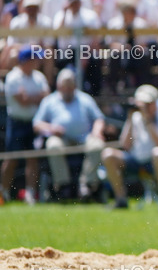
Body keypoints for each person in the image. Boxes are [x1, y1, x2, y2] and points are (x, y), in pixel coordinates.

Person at [34, 69, 106, 201]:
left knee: (97, 145)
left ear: (75, 86)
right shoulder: (49, 101)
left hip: (84, 137)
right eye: (64, 87)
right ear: (58, 86)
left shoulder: (85, 99)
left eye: (70, 87)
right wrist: (51, 128)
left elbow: (99, 118)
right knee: (53, 145)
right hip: (61, 138)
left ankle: (87, 184)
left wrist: (97, 131)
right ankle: (63, 185)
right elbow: (37, 124)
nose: (67, 90)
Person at [102, 85, 158, 208]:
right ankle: (121, 200)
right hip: (137, 161)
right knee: (108, 154)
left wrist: (147, 120)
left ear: (155, 103)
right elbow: (125, 145)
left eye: (147, 103)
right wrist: (130, 120)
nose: (143, 107)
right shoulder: (135, 118)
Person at [1, 48, 50, 204]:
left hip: (34, 123)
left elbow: (45, 97)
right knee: (11, 159)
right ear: (27, 61)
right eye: (35, 59)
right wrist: (37, 97)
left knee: (32, 158)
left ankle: (30, 193)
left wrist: (30, 97)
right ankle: (4, 192)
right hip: (16, 122)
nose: (37, 62)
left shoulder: (39, 76)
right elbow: (22, 100)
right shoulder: (13, 77)